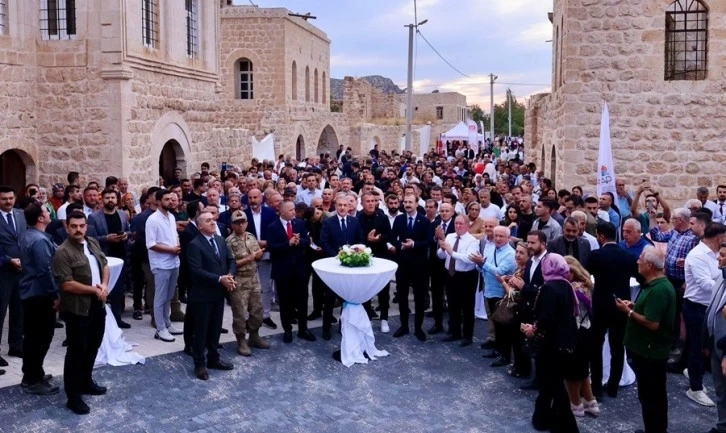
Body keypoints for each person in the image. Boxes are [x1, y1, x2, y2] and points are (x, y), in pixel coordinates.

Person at [53, 211, 110, 415]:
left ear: (86, 226)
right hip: (78, 309)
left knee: (93, 346)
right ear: (67, 227)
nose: (78, 229)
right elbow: (67, 285)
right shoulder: (63, 252)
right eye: (74, 226)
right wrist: (95, 290)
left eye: (82, 226)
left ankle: (86, 382)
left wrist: (103, 285)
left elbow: (104, 264)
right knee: (77, 351)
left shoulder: (92, 242)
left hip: (97, 305)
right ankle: (73, 396)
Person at [615, 248, 675, 433]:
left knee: (651, 396)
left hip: (651, 352)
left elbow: (652, 323)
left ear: (649, 265)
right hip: (648, 350)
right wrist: (635, 306)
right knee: (651, 395)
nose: (637, 262)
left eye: (640, 259)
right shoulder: (655, 286)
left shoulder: (659, 290)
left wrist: (629, 312)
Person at [521, 253, 579, 433]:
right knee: (548, 382)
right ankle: (542, 418)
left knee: (553, 384)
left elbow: (547, 317)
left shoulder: (549, 288)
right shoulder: (566, 285)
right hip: (565, 341)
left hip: (550, 343)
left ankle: (566, 426)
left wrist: (533, 329)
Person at [586, 221, 640, 399]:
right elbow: (638, 276)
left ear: (601, 236)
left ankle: (597, 388)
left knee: (595, 346)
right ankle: (613, 386)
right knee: (618, 347)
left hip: (601, 305)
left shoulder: (596, 255)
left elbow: (586, 274)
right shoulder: (628, 256)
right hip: (620, 305)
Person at [186, 211, 236, 380]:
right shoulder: (195, 244)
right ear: (200, 226)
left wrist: (229, 276)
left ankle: (214, 359)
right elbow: (196, 270)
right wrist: (220, 279)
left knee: (215, 329)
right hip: (202, 295)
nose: (213, 222)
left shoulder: (221, 241)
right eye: (208, 221)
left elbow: (231, 261)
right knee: (201, 332)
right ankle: (199, 364)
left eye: (213, 220)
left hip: (218, 294)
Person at [681, 223, 726, 406]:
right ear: (720, 238)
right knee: (698, 348)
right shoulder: (698, 255)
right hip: (697, 307)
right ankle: (695, 388)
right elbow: (705, 284)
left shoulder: (716, 254)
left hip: (709, 307)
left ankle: (693, 373)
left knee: (704, 347)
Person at [18, 203, 59, 395]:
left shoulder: (30, 235)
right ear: (41, 219)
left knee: (34, 336)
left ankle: (34, 372)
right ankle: (32, 379)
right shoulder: (39, 240)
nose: (49, 213)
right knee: (41, 337)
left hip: (31, 293)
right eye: (46, 211)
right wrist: (55, 294)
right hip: (39, 295)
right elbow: (45, 271)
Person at [267, 201, 315, 343]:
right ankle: (287, 330)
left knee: (302, 299)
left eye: (294, 210)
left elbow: (307, 242)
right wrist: (288, 244)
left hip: (300, 269)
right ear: (282, 212)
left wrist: (299, 242)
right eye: (291, 210)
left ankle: (303, 329)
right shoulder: (272, 227)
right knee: (285, 302)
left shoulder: (299, 224)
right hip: (283, 270)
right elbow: (272, 247)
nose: (294, 212)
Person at [225, 210, 271, 356]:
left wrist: (258, 255)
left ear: (247, 223)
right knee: (240, 312)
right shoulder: (229, 242)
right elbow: (231, 264)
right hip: (239, 280)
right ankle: (241, 340)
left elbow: (257, 255)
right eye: (237, 223)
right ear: (232, 225)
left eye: (243, 222)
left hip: (253, 277)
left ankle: (254, 335)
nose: (240, 225)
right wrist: (250, 258)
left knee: (257, 309)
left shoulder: (251, 237)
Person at [321, 193, 365, 340]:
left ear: (349, 207)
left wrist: (353, 254)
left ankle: (343, 326)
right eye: (340, 205)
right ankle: (326, 328)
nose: (342, 207)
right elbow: (324, 241)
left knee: (346, 298)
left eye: (345, 205)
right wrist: (337, 256)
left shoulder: (355, 222)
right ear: (335, 206)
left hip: (350, 266)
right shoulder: (329, 222)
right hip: (334, 265)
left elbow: (360, 239)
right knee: (329, 299)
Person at [472, 226, 517, 367]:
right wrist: (480, 264)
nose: (497, 238)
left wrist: (483, 263)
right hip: (489, 289)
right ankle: (498, 349)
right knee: (495, 322)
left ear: (508, 238)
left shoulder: (510, 254)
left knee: (504, 325)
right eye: (496, 235)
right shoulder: (491, 249)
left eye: (501, 236)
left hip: (501, 293)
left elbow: (498, 271)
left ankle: (505, 355)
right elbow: (481, 267)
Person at [390, 194, 431, 341]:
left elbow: (428, 241)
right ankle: (404, 326)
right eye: (405, 202)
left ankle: (418, 328)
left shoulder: (424, 221)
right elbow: (392, 237)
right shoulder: (399, 219)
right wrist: (400, 245)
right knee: (402, 296)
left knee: (419, 298)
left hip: (419, 265)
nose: (407, 204)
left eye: (410, 202)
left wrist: (414, 244)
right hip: (403, 263)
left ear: (416, 203)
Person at [563, 255, 599, 417]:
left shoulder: (572, 289)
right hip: (587, 331)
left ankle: (576, 404)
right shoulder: (586, 285)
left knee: (572, 372)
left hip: (575, 333)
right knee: (583, 370)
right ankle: (591, 402)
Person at [89, 189, 130, 329]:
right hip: (103, 258)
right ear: (102, 200)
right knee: (102, 289)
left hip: (120, 255)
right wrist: (106, 238)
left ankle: (117, 318)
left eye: (113, 197)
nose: (110, 200)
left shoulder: (122, 214)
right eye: (107, 197)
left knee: (119, 290)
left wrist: (125, 235)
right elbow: (91, 239)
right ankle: (101, 320)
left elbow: (128, 230)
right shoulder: (94, 217)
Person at [146, 190, 183, 342]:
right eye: (167, 199)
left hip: (174, 262)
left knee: (169, 295)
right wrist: (171, 250)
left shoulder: (172, 217)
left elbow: (174, 236)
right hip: (161, 264)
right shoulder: (152, 219)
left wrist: (177, 245)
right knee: (160, 297)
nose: (171, 202)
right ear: (159, 201)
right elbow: (151, 244)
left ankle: (168, 324)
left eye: (172, 199)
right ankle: (160, 328)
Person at [437, 215, 479, 346]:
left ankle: (467, 336)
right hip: (450, 274)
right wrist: (443, 250)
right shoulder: (450, 236)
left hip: (466, 276)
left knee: (467, 307)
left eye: (461, 224)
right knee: (452, 304)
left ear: (467, 225)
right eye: (456, 224)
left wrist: (451, 252)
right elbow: (440, 255)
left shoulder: (472, 241)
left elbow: (469, 258)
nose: (458, 226)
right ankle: (454, 332)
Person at [497, 241, 532, 378]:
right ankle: (518, 365)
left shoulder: (526, 271)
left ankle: (523, 369)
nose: (517, 255)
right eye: (516, 252)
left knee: (520, 340)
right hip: (515, 310)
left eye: (521, 253)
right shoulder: (519, 268)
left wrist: (503, 283)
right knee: (515, 339)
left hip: (521, 309)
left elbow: (516, 295)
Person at [244, 188, 278, 330]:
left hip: (266, 253)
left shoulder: (270, 213)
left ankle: (266, 315)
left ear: (261, 198)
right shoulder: (243, 214)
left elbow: (276, 232)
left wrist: (267, 243)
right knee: (248, 288)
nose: (253, 200)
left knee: (265, 287)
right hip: (248, 256)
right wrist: (254, 244)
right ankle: (248, 317)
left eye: (255, 197)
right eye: (250, 197)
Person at [0, 185, 26, 366]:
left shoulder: (20, 215)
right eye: (4, 199)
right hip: (2, 273)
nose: (8, 202)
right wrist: (8, 260)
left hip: (21, 271)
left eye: (10, 198)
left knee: (19, 310)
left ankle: (16, 345)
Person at [704, 241, 726, 433]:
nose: (719, 258)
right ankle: (722, 425)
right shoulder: (721, 277)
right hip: (715, 344)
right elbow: (711, 308)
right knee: (720, 390)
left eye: (723, 256)